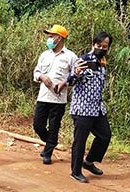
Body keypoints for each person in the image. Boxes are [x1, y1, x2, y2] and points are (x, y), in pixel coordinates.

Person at [67, 31, 113, 183]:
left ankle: (89, 161)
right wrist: (76, 73)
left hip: (97, 108)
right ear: (93, 44)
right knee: (80, 140)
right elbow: (71, 81)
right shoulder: (84, 60)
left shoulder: (102, 63)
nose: (101, 48)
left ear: (108, 48)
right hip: (83, 108)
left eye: (104, 46)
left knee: (105, 135)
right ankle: (75, 171)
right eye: (98, 45)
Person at [33, 24, 77, 165]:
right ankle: (51, 142)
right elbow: (36, 72)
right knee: (38, 125)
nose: (49, 39)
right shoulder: (44, 55)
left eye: (51, 36)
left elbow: (76, 76)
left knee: (54, 126)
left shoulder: (70, 57)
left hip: (58, 99)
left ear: (60, 38)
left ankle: (48, 153)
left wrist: (65, 83)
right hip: (43, 96)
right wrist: (42, 77)